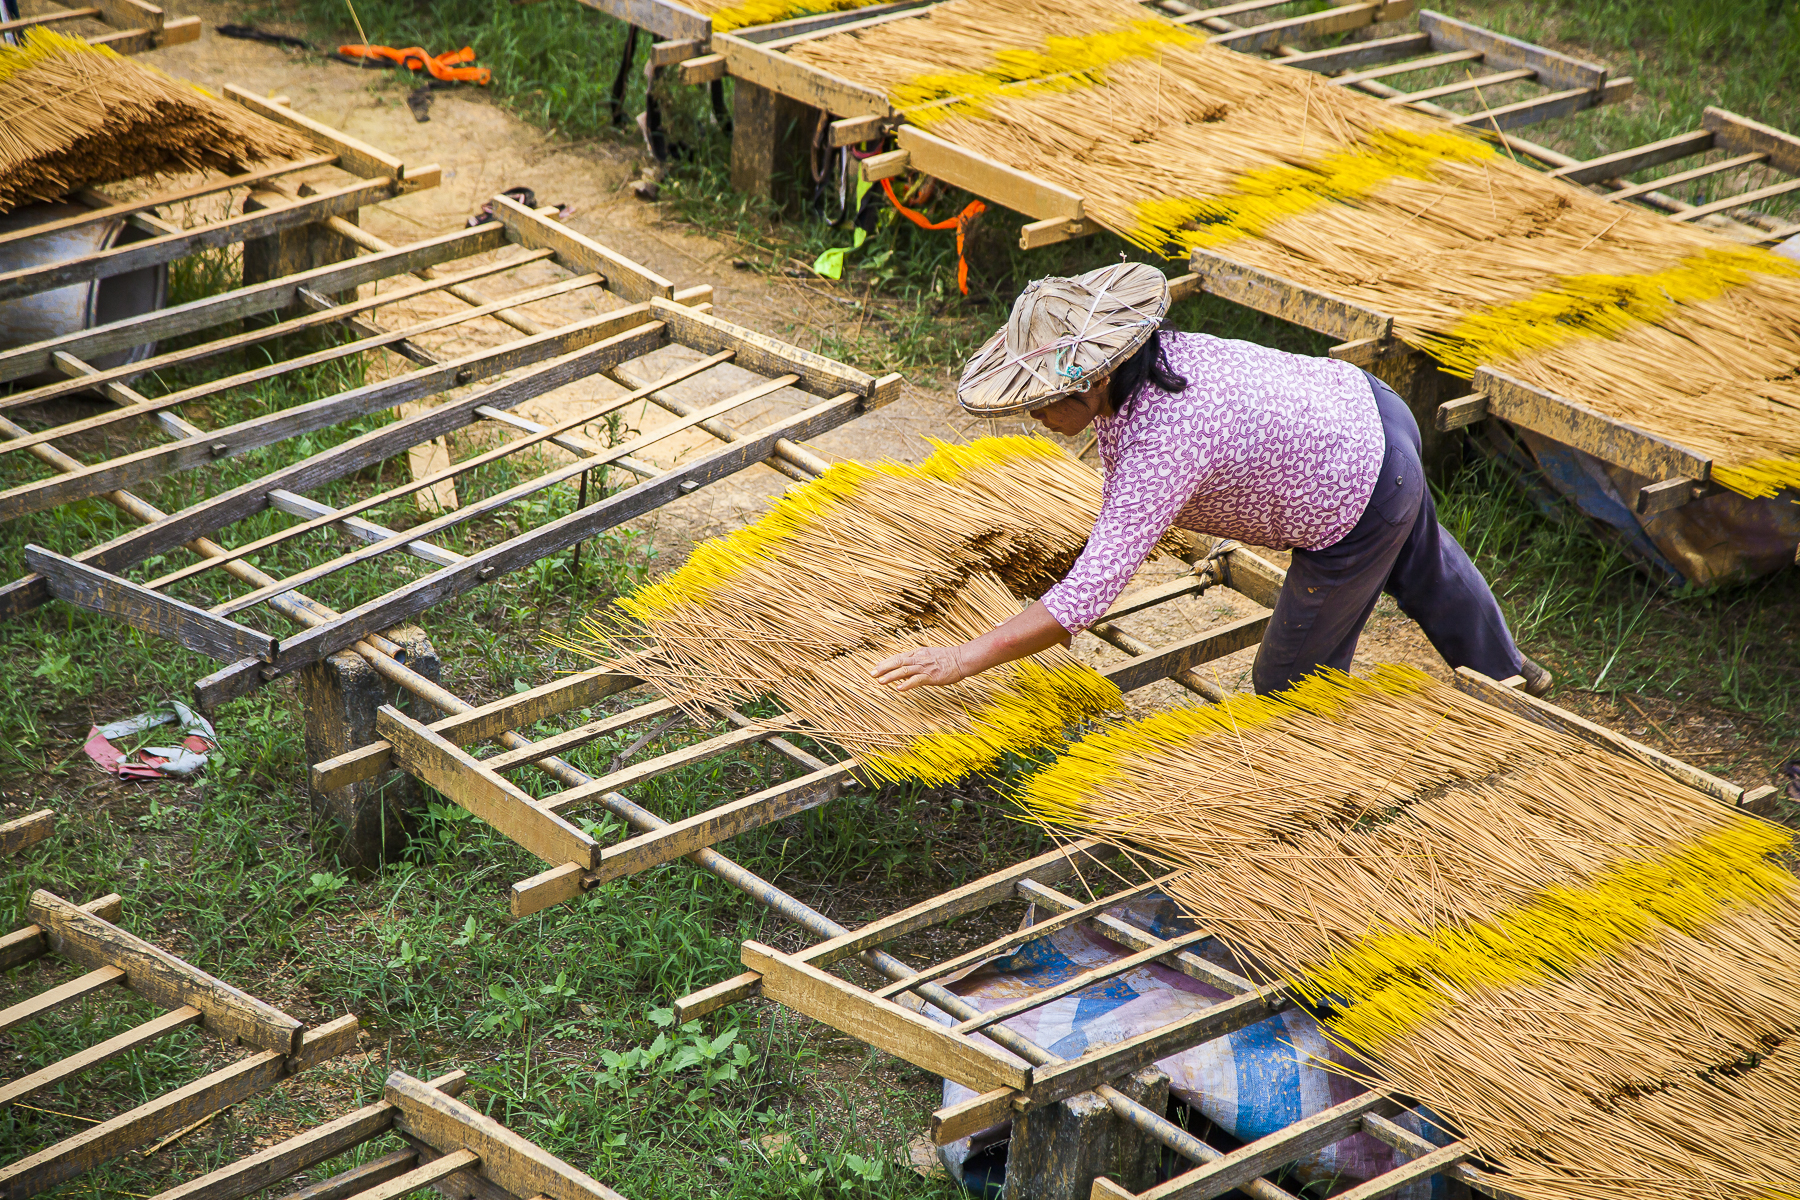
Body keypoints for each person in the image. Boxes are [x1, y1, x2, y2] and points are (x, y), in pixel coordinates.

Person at [870, 261, 1549, 698]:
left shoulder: (1163, 442)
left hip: (1355, 486)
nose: (1039, 414)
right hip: (1367, 408)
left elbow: (1083, 602)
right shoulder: (1154, 365)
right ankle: (1510, 674)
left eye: (1046, 399)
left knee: (1289, 681)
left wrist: (960, 659)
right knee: (1420, 562)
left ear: (1098, 375)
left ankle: (1329, 789)